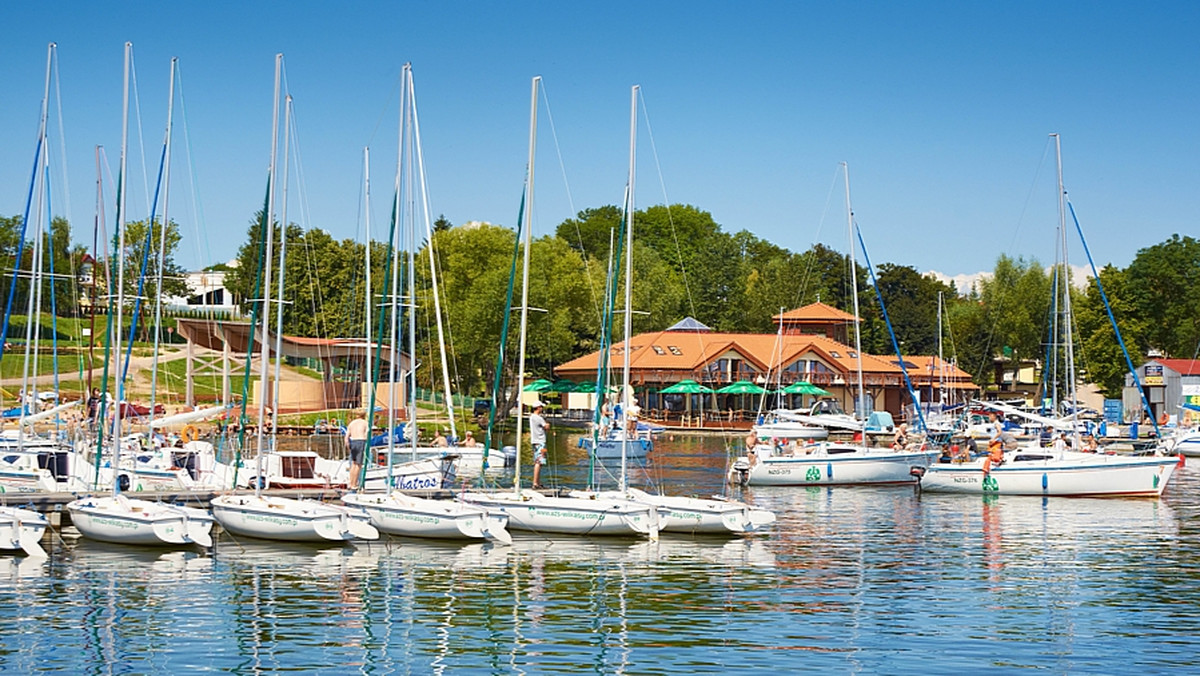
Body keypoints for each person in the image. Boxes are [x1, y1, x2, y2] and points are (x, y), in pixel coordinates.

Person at [344, 410, 369, 491]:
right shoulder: (365, 423)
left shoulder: (352, 423)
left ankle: (351, 483)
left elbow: (346, 437)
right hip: (361, 441)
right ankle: (354, 484)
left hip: (353, 442)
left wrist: (348, 446)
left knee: (353, 464)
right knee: (358, 464)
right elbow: (367, 434)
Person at [530, 402, 550, 488]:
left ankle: (537, 482)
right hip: (541, 442)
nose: (542, 409)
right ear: (538, 408)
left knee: (539, 461)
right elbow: (546, 427)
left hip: (535, 442)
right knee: (539, 461)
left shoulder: (531, 417)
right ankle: (535, 483)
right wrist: (548, 425)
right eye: (541, 407)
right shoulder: (538, 418)